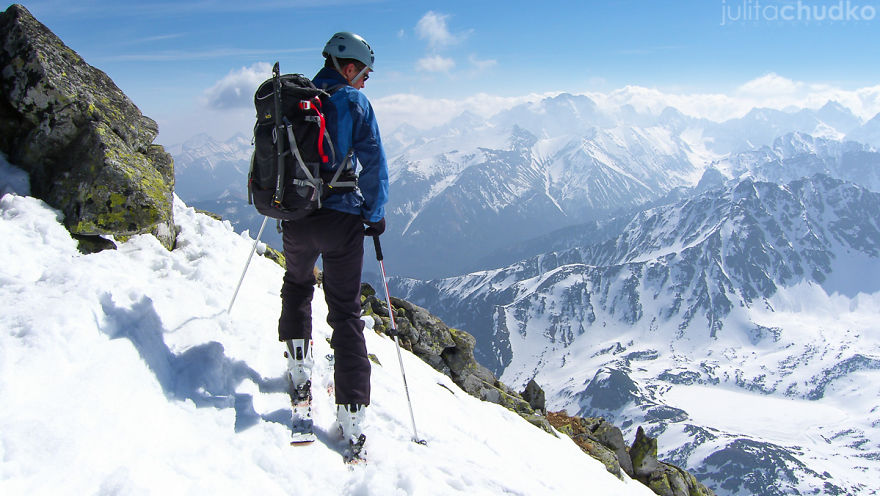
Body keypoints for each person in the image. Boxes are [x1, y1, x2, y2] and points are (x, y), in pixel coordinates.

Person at [278, 31, 388, 459]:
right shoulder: (354, 103)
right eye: (363, 73)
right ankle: (352, 416)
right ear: (348, 67)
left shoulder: (293, 99)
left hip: (295, 218)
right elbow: (375, 161)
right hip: (342, 222)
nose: (364, 81)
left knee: (297, 284)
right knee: (345, 314)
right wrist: (375, 216)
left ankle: (298, 365)